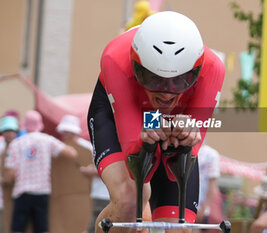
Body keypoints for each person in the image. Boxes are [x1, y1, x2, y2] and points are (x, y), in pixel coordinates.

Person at [87, 11, 225, 233]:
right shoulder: (115, 58)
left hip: (168, 123)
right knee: (130, 198)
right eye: (153, 79)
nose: (167, 94)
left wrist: (187, 137)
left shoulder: (213, 68)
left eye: (181, 81)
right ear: (137, 67)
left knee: (178, 228)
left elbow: (179, 164)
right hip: (120, 114)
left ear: (196, 71)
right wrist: (155, 129)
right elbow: (138, 167)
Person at [4, 110, 78, 233]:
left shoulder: (16, 144)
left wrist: (6, 182)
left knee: (17, 228)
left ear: (25, 125)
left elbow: (10, 174)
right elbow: (71, 154)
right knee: (41, 228)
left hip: (22, 191)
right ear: (39, 125)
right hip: (42, 191)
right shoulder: (47, 140)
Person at [52, 114, 95, 233]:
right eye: (63, 130)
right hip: (62, 195)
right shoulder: (59, 148)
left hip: (87, 194)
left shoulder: (87, 148)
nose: (65, 133)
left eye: (67, 130)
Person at [0, 116, 19, 233]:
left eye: (11, 131)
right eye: (6, 131)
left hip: (18, 193)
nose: (9, 134)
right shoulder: (1, 149)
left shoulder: (22, 146)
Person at [196, 143, 221, 226]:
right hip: (181, 205)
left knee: (195, 228)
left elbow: (212, 185)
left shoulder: (211, 154)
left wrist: (204, 207)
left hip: (200, 205)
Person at [80, 164, 110, 233]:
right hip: (102, 194)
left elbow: (108, 170)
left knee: (96, 224)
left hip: (104, 195)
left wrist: (91, 171)